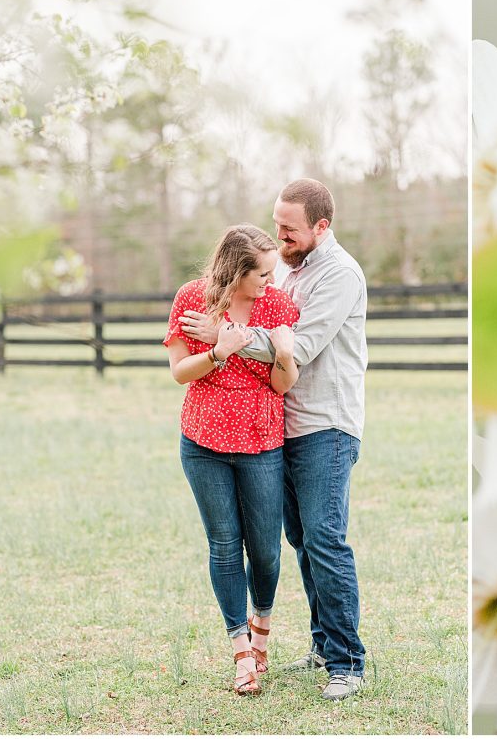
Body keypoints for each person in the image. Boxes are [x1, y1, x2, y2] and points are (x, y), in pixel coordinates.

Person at [179, 179, 369, 701]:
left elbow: (298, 346)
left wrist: (221, 337)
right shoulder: (284, 265)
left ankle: (347, 660)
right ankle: (322, 643)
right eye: (276, 224)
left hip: (325, 425)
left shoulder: (339, 275)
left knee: (325, 540)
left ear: (321, 227)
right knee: (302, 541)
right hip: (281, 425)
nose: (279, 236)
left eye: (289, 229)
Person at [163, 223, 299, 696]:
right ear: (237, 271)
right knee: (224, 545)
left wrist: (283, 354)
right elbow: (181, 371)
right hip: (203, 443)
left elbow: (283, 384)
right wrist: (219, 352)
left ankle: (261, 627)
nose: (269, 279)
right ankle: (241, 651)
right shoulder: (190, 299)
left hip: (262, 441)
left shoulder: (277, 305)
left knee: (263, 547)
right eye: (261, 272)